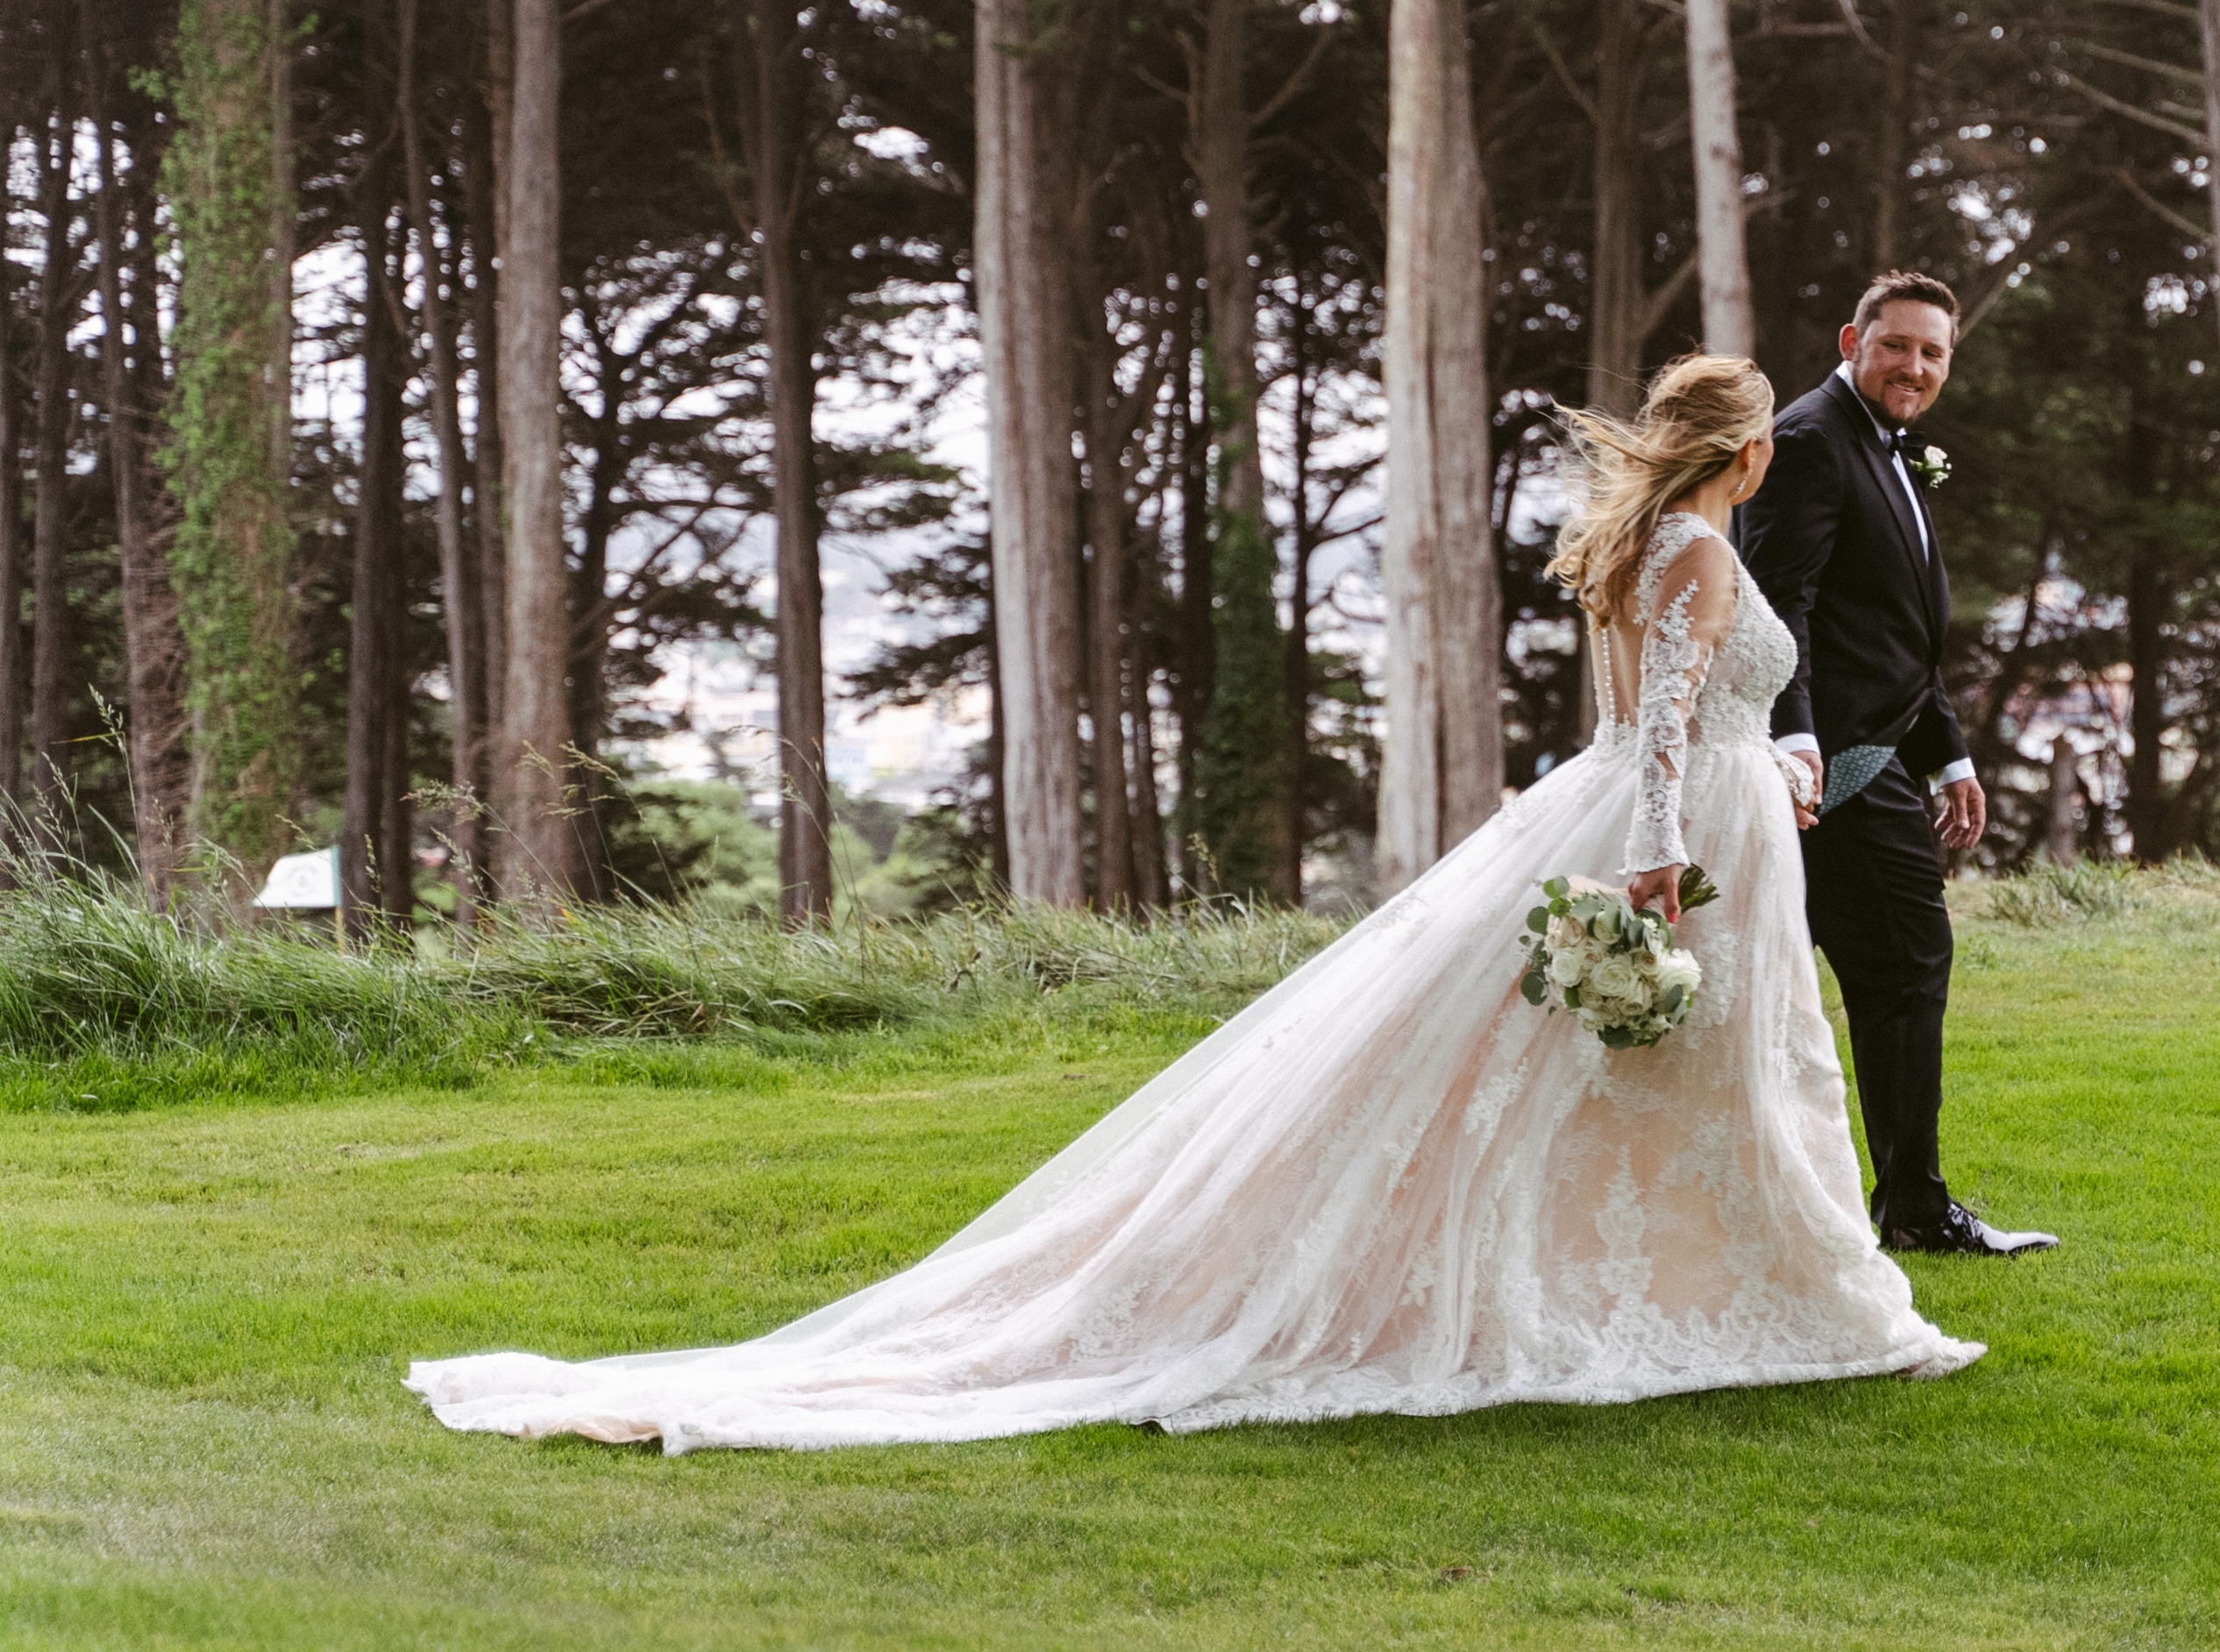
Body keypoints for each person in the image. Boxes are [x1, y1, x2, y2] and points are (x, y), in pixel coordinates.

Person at [404, 356, 1979, 1453]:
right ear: (1753, 445)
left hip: (1711, 816)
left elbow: (1684, 711)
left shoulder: (1660, 540)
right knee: (1672, 1075)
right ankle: (1741, 1288)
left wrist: (1763, 768)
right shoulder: (1701, 554)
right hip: (1678, 834)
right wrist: (1661, 856)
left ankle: (1708, 1273)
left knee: (1660, 1083)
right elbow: (1654, 729)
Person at [1737, 272, 2058, 1258]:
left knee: (1833, 971)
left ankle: (1884, 1200)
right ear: (1853, 339)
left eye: (1932, 352)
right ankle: (1912, 1208)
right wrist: (1797, 744)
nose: (1914, 366)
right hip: (1830, 763)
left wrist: (1948, 752)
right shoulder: (1807, 440)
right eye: (1897, 346)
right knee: (1905, 962)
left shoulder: (1888, 448)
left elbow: (1889, 632)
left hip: (1882, 749)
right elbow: (1778, 603)